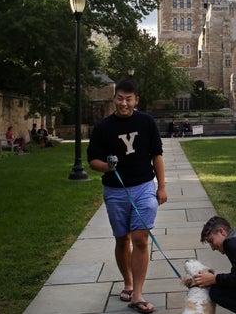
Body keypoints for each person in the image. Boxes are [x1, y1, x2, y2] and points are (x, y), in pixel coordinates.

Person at [87, 78, 167, 314]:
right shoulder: (103, 127)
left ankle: (138, 294)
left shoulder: (146, 122)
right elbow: (92, 161)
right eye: (120, 98)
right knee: (122, 239)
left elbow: (157, 155)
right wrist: (107, 167)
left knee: (140, 238)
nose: (124, 103)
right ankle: (128, 283)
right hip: (115, 191)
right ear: (114, 98)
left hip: (143, 187)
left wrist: (161, 186)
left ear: (136, 100)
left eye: (128, 99)